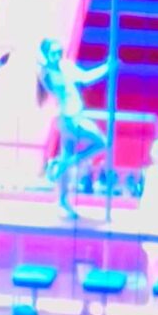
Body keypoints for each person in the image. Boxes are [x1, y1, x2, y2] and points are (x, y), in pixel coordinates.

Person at [37, 37, 111, 218]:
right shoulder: (47, 73)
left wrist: (106, 68)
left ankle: (62, 198)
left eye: (59, 51)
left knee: (67, 157)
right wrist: (108, 68)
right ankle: (64, 164)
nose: (58, 55)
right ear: (46, 54)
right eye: (54, 52)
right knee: (102, 142)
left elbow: (85, 77)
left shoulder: (65, 66)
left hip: (71, 117)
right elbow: (83, 79)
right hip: (71, 119)